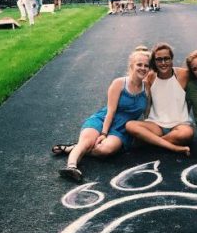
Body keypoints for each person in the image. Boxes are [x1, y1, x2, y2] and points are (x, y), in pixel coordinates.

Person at [52, 50, 151, 182]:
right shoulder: (119, 83)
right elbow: (111, 111)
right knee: (87, 142)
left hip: (122, 128)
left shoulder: (147, 87)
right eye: (139, 64)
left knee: (105, 150)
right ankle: (71, 167)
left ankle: (74, 148)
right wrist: (103, 133)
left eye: (146, 65)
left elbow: (147, 114)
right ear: (132, 65)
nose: (143, 68)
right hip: (103, 119)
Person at [126, 43, 192, 156]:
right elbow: (135, 82)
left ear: (172, 59)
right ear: (154, 61)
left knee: (187, 133)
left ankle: (151, 142)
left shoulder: (183, 74)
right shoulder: (150, 77)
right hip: (156, 125)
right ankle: (172, 146)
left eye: (166, 58)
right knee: (130, 125)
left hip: (179, 125)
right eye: (159, 59)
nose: (163, 63)